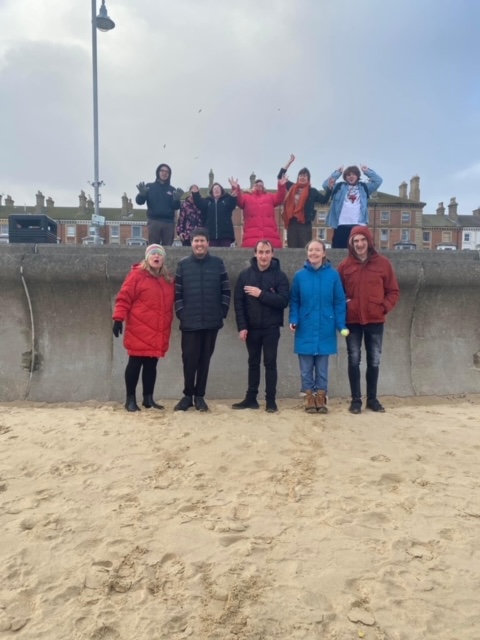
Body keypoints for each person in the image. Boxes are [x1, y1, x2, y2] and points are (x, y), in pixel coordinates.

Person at [337, 226, 400, 414]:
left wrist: (383, 307)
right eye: (355, 241)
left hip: (375, 320)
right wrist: (346, 305)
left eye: (362, 240)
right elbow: (337, 293)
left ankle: (372, 399)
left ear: (369, 241)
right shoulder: (344, 266)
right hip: (353, 320)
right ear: (351, 244)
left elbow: (393, 291)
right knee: (354, 359)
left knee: (374, 360)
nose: (359, 244)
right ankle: (356, 400)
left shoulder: (383, 264)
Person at [112, 244, 175, 412]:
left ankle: (148, 398)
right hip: (139, 328)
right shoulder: (136, 276)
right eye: (153, 254)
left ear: (163, 259)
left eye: (160, 255)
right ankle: (130, 399)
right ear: (147, 257)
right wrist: (118, 318)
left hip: (158, 329)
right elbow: (124, 298)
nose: (157, 257)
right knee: (135, 363)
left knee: (151, 365)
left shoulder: (168, 280)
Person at [174, 228, 230, 412]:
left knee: (204, 360)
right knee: (189, 360)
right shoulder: (182, 265)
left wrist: (221, 312)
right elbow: (178, 293)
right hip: (190, 322)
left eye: (202, 241)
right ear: (192, 243)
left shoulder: (218, 263)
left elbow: (225, 291)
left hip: (211, 321)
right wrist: (181, 312)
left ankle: (200, 396)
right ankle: (187, 395)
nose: (199, 244)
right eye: (196, 241)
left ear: (208, 243)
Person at [289, 240, 347, 413]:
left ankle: (321, 397)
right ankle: (308, 396)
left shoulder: (333, 276)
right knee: (306, 369)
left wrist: (340, 324)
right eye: (311, 250)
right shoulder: (299, 276)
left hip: (326, 327)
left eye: (317, 250)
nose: (313, 253)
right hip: (305, 327)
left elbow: (339, 301)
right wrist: (294, 319)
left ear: (324, 253)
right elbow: (294, 301)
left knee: (322, 368)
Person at [232, 240, 290, 413]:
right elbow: (239, 303)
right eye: (260, 252)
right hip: (252, 328)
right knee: (253, 363)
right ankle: (251, 398)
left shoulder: (280, 276)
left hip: (271, 328)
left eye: (267, 252)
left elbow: (283, 301)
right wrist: (242, 327)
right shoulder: (245, 275)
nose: (264, 256)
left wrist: (261, 294)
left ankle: (270, 400)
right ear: (255, 253)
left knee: (270, 363)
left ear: (272, 254)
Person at [278, 154, 333, 249]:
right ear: (298, 177)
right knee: (292, 248)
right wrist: (289, 162)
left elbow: (324, 200)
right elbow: (280, 176)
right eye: (301, 175)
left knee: (305, 248)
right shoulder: (292, 187)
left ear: (308, 178)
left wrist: (330, 188)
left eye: (305, 176)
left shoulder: (312, 191)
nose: (302, 177)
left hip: (305, 223)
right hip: (292, 223)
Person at [322, 164, 383, 249]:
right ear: (345, 177)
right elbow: (325, 185)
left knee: (359, 251)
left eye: (353, 174)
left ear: (358, 176)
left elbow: (378, 181)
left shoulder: (364, 187)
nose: (351, 176)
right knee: (339, 252)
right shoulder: (339, 187)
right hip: (341, 224)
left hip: (359, 224)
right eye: (348, 175)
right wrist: (337, 173)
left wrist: (367, 171)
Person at [229, 175, 288, 248]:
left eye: (261, 185)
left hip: (270, 237)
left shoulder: (269, 196)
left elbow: (280, 197)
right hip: (251, 238)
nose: (259, 187)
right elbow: (238, 200)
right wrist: (235, 188)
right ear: (253, 187)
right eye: (256, 185)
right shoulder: (246, 197)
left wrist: (282, 186)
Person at [136, 163, 182, 246]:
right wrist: (141, 194)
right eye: (162, 171)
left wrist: (176, 200)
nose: (164, 173)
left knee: (167, 249)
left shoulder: (172, 190)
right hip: (154, 221)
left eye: (167, 172)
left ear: (169, 174)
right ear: (158, 172)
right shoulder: (149, 187)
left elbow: (176, 207)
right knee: (153, 248)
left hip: (169, 222)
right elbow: (140, 202)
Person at [191, 182, 237, 247]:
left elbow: (232, 204)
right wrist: (195, 194)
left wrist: (233, 195)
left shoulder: (227, 200)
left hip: (225, 235)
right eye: (214, 189)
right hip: (211, 235)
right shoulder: (208, 201)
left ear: (221, 191)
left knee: (225, 255)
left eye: (218, 188)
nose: (216, 190)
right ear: (212, 192)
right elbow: (199, 204)